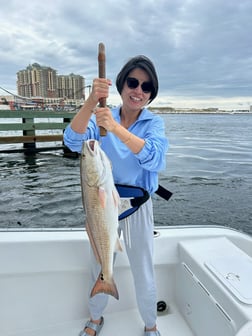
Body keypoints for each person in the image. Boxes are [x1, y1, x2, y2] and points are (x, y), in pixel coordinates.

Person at [63, 55, 168, 336]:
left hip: (136, 206)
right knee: (99, 264)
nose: (138, 91)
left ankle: (151, 324)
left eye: (146, 87)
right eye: (133, 82)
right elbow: (72, 142)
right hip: (101, 204)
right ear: (121, 85)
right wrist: (91, 102)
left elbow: (155, 159)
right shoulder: (100, 116)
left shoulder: (153, 124)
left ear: (151, 94)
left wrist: (117, 129)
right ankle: (95, 318)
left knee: (143, 269)